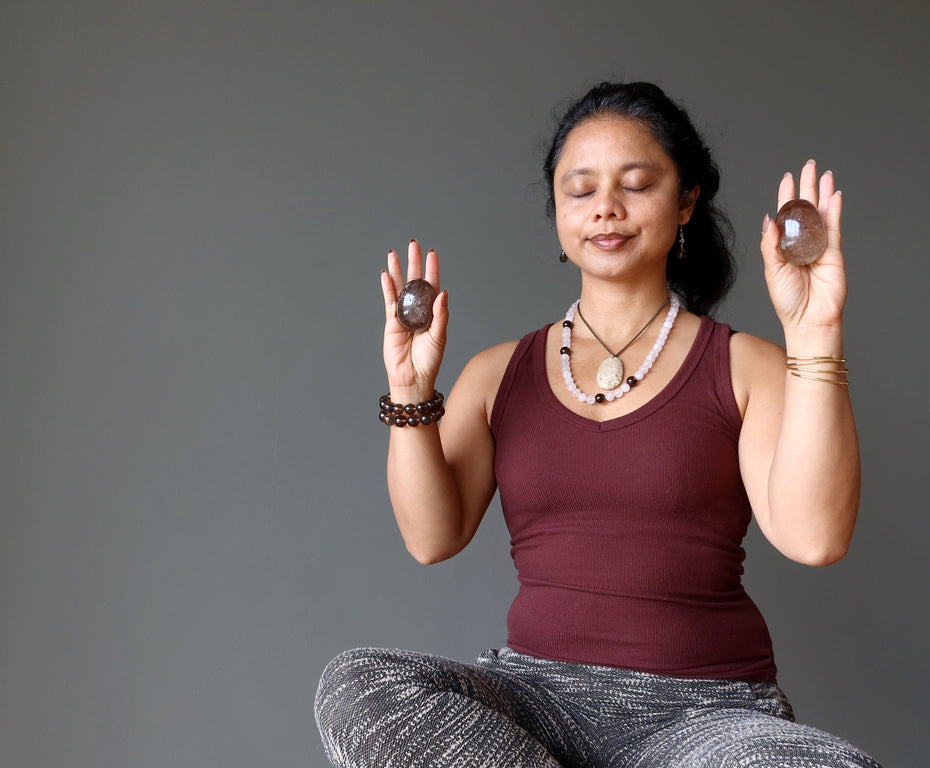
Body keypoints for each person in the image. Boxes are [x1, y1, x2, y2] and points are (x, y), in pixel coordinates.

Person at [315, 81, 882, 768]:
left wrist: (815, 335)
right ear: (555, 209)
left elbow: (814, 538)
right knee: (357, 685)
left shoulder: (744, 365)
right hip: (534, 705)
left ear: (686, 201)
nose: (605, 208)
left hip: (708, 719)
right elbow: (432, 539)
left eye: (636, 184)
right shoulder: (498, 373)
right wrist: (410, 387)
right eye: (579, 190)